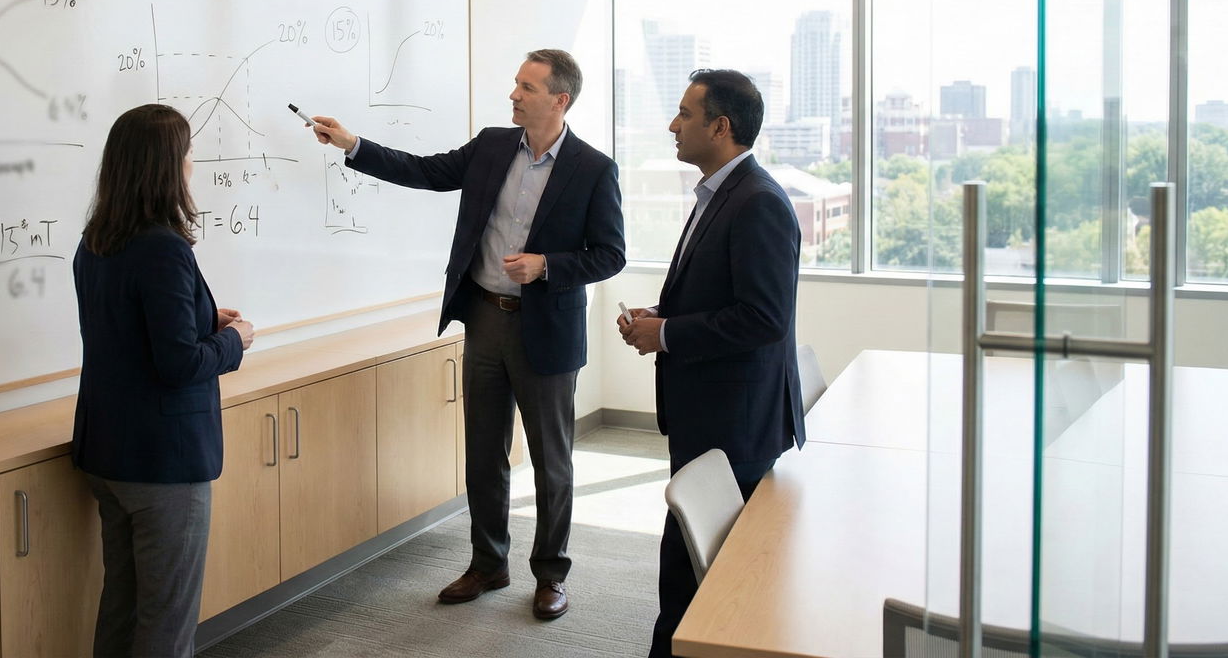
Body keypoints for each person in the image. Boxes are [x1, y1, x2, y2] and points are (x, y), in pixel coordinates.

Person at [307, 49, 625, 621]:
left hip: (546, 329)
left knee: (553, 459)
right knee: (483, 450)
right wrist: (352, 145)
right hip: (483, 317)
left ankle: (551, 574)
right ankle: (488, 563)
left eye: (527, 87)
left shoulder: (594, 169)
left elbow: (610, 255)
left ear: (560, 99)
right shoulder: (491, 146)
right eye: (515, 83)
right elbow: (425, 171)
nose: (514, 95)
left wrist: (547, 265)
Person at [616, 69, 806, 658]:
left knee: (699, 573)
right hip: (713, 412)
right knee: (694, 565)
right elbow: (722, 293)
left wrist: (667, 333)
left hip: (734, 421)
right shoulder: (721, 193)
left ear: (720, 126)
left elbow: (762, 318)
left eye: (684, 114)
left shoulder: (758, 203)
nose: (673, 125)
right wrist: (661, 313)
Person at [71, 104, 256, 658]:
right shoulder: (163, 247)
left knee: (122, 606)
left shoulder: (96, 240)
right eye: (188, 153)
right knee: (166, 621)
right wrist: (234, 339)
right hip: (162, 463)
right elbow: (176, 365)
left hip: (108, 450)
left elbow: (128, 333)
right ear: (165, 166)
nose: (193, 164)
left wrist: (204, 320)